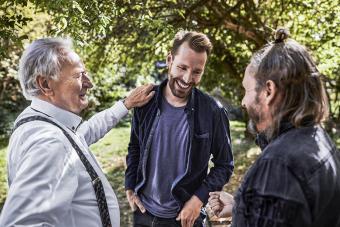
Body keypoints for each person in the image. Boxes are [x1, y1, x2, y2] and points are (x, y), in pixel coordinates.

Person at [0, 37, 155, 227]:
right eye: (79, 75)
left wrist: (126, 104)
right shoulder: (49, 142)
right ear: (46, 84)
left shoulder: (43, 123)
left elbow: (84, 134)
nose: (89, 83)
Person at [208, 28, 340, 227]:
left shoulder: (278, 165)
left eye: (247, 90)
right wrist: (241, 207)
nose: (243, 101)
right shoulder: (320, 141)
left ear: (268, 91)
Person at [125, 30, 234, 227]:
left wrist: (197, 199)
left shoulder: (213, 112)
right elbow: (135, 147)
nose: (187, 78)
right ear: (169, 60)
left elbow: (224, 165)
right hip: (142, 214)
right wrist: (130, 186)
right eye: (182, 67)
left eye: (196, 71)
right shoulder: (145, 102)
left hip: (185, 218)